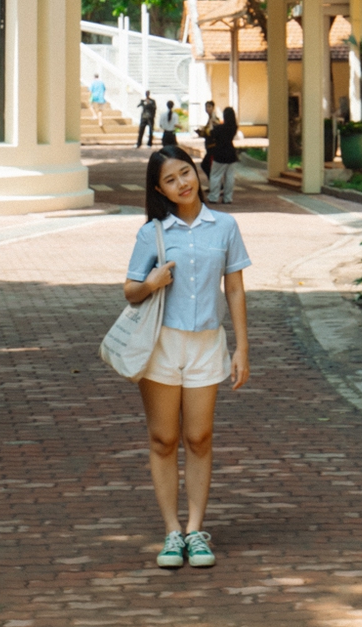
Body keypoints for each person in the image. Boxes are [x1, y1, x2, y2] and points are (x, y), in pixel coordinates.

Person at [122, 146, 252, 570]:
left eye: (186, 172)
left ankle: (196, 530)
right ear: (159, 189)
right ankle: (171, 531)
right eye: (171, 180)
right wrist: (153, 281)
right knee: (163, 439)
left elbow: (233, 288)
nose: (183, 183)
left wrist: (242, 347)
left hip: (207, 344)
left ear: (197, 172)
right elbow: (130, 290)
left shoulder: (226, 226)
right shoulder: (153, 233)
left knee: (199, 438)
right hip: (161, 344)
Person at [205, 107, 241, 204]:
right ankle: (227, 198)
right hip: (231, 153)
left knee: (215, 175)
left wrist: (212, 123)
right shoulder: (234, 127)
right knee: (229, 177)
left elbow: (211, 133)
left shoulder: (219, 128)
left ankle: (214, 197)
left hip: (220, 153)